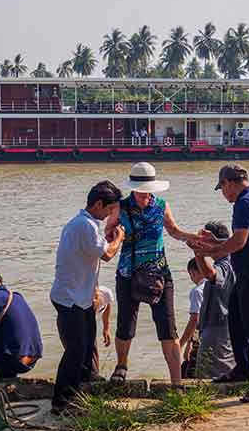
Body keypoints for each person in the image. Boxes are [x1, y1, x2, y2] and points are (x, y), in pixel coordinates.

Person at [104, 162, 199, 386]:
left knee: (168, 327)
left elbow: (173, 230)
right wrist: (113, 234)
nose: (145, 195)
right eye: (141, 191)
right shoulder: (120, 207)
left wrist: (192, 237)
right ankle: (122, 366)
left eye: (148, 191)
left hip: (159, 273)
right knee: (125, 324)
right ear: (133, 188)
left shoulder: (162, 205)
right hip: (128, 273)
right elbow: (107, 232)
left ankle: (176, 383)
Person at [194, 164, 249, 402]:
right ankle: (242, 369)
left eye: (222, 188)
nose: (223, 194)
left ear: (229, 183)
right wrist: (216, 241)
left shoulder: (244, 203)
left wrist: (210, 250)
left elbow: (239, 243)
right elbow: (243, 239)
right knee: (236, 322)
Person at [50, 181, 125, 414]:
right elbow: (107, 254)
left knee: (86, 346)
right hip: (70, 298)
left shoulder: (84, 223)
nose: (110, 214)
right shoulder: (85, 225)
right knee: (75, 350)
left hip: (80, 296)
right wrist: (119, 237)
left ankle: (82, 388)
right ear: (98, 204)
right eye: (109, 209)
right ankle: (61, 401)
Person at [190, 221, 237, 379]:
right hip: (222, 328)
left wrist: (198, 252)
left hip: (219, 329)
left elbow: (211, 274)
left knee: (210, 376)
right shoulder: (231, 260)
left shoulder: (226, 264)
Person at [179, 258, 205, 378]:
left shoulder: (197, 291)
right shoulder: (215, 285)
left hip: (201, 338)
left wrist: (182, 344)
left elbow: (195, 320)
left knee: (187, 371)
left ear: (193, 272)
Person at [91, 285, 114, 378]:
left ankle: (94, 375)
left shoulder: (106, 293)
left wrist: (106, 328)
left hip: (89, 321)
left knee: (92, 348)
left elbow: (107, 306)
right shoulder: (83, 299)